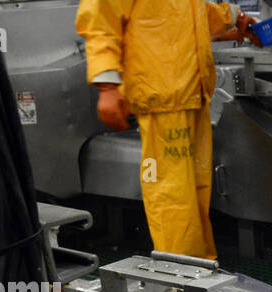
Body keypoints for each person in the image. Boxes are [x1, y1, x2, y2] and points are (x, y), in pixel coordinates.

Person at [75, 0, 258, 260]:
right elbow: (100, 19)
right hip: (161, 97)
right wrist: (107, 84)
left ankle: (202, 266)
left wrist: (234, 17)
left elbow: (192, 11)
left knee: (195, 191)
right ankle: (181, 276)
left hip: (192, 92)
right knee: (171, 195)